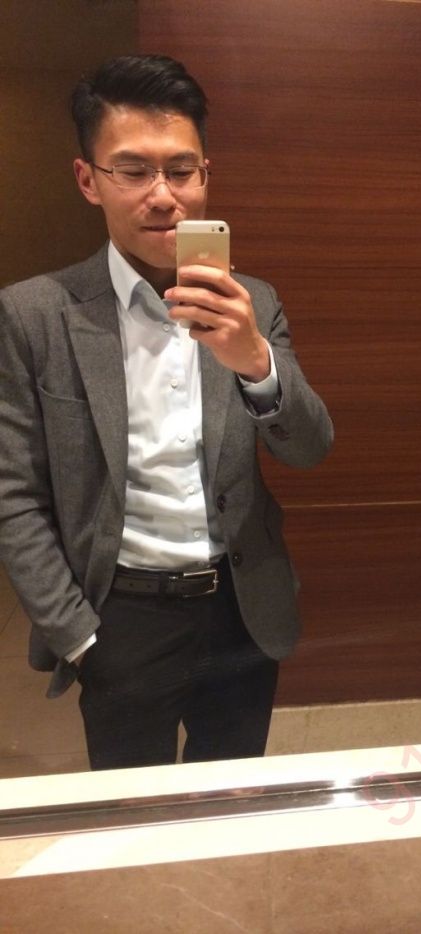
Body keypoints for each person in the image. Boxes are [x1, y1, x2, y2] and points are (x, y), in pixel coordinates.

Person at [0, 55, 333, 770]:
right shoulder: (34, 316)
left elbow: (309, 447)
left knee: (231, 801)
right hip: (120, 618)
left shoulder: (253, 303)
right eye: (133, 170)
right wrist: (78, 635)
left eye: (181, 170)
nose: (163, 195)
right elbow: (13, 494)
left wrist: (254, 361)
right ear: (88, 179)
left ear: (205, 175)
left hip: (243, 609)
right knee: (133, 816)